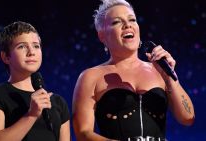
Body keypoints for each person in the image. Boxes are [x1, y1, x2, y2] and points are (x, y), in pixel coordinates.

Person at [72, 0, 195, 141]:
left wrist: (170, 78)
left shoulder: (159, 70)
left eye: (132, 20)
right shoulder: (90, 76)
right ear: (102, 35)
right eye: (116, 22)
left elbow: (188, 118)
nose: (127, 25)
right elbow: (83, 133)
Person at [0, 21, 70, 141]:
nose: (31, 52)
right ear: (6, 56)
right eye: (22, 46)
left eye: (36, 46)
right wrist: (31, 115)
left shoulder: (57, 102)